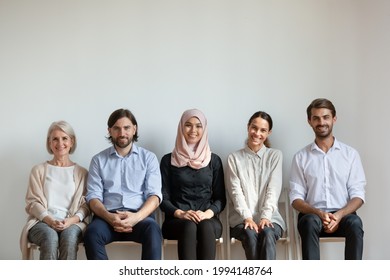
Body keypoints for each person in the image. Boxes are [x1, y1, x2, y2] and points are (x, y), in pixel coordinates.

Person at [289, 98, 366, 260]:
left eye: (325, 117)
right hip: (312, 215)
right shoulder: (301, 157)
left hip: (343, 215)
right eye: (316, 118)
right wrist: (318, 212)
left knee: (355, 224)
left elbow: (358, 196)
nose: (321, 122)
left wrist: (338, 215)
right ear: (309, 121)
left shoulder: (350, 155)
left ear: (334, 119)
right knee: (308, 222)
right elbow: (296, 198)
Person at [84, 108, 162, 260]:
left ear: (134, 129)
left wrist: (136, 217)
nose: (122, 133)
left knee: (153, 230)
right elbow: (93, 197)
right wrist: (109, 217)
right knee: (91, 233)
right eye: (116, 128)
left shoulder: (149, 158)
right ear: (109, 131)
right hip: (107, 219)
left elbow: (154, 196)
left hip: (140, 217)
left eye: (126, 128)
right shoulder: (98, 160)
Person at [160, 108, 226, 260]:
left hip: (209, 220)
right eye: (188, 125)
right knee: (189, 226)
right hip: (176, 221)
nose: (193, 130)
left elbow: (220, 198)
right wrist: (181, 213)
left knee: (204, 225)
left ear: (204, 129)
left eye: (198, 125)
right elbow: (163, 197)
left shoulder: (213, 160)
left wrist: (207, 214)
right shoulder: (168, 160)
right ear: (181, 127)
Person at [20, 121, 90, 260]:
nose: (60, 143)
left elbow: (86, 205)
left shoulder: (82, 172)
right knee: (50, 237)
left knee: (69, 238)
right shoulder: (38, 170)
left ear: (72, 141)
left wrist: (70, 221)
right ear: (49, 143)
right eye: (55, 139)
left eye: (64, 138)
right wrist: (50, 220)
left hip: (73, 223)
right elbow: (32, 202)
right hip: (42, 222)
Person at [226, 111, 286, 260]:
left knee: (267, 232)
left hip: (271, 218)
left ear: (269, 133)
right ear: (248, 127)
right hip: (241, 220)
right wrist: (247, 218)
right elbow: (235, 192)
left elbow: (273, 189)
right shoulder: (234, 158)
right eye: (254, 128)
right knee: (250, 233)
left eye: (263, 130)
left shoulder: (275, 156)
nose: (257, 133)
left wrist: (265, 217)